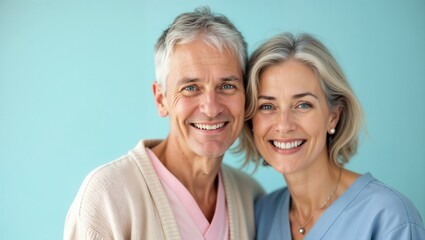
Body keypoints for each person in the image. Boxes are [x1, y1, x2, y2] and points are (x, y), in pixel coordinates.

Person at [64, 6, 264, 240]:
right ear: (161, 100)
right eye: (190, 88)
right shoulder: (107, 196)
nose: (211, 108)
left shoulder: (251, 197)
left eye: (227, 86)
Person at [238, 32, 425, 239]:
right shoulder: (262, 214)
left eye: (303, 105)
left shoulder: (390, 218)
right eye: (267, 106)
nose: (284, 125)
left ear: (333, 117)